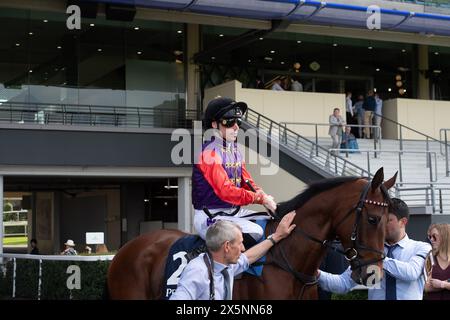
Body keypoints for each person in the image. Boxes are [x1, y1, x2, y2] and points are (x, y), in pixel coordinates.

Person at [193, 97, 277, 247]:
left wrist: (263, 196)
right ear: (214, 124)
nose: (236, 127)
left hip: (233, 213)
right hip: (210, 215)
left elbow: (247, 182)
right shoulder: (208, 153)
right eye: (229, 122)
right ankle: (225, 266)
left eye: (238, 121)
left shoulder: (235, 151)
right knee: (256, 231)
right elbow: (225, 191)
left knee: (273, 222)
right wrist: (260, 199)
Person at [317, 198, 431, 300]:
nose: (381, 225)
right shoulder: (369, 253)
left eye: (388, 220)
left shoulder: (421, 247)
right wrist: (316, 274)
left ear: (403, 222)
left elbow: (411, 273)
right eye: (380, 220)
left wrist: (375, 257)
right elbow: (343, 284)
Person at [170, 211, 296, 300]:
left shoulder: (226, 266)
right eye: (240, 243)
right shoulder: (198, 270)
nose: (243, 248)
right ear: (227, 246)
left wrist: (277, 236)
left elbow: (248, 257)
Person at [424, 223, 450, 300]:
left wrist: (442, 284)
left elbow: (433, 285)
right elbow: (426, 287)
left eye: (434, 236)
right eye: (430, 237)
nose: (431, 240)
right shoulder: (430, 258)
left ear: (444, 237)